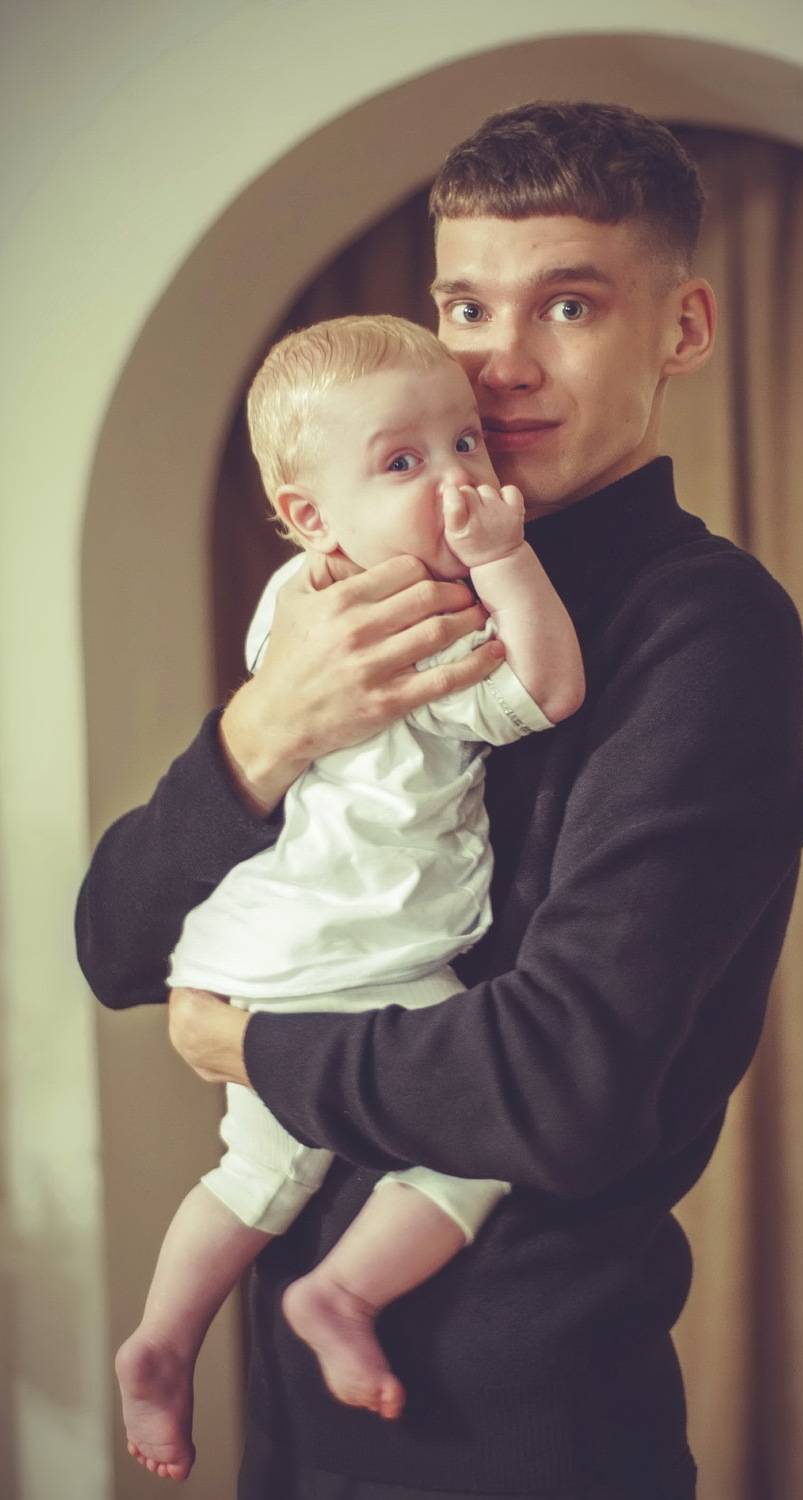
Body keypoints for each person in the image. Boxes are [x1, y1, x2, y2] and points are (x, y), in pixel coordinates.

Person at [77, 101, 803, 1500]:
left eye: (569, 305)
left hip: (522, 1431)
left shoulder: (703, 630)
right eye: (466, 305)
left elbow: (563, 1085)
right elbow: (115, 946)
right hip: (291, 1433)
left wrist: (252, 1044)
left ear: (683, 329)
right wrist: (263, 733)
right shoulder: (355, 595)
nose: (497, 362)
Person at [113, 313, 585, 1481]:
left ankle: (164, 1337)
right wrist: (506, 562)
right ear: (313, 515)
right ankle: (342, 1293)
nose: (458, 480)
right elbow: (550, 688)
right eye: (402, 462)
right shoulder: (421, 622)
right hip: (369, 956)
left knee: (253, 1172)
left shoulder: (295, 600)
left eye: (466, 443)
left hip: (258, 950)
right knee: (482, 1133)